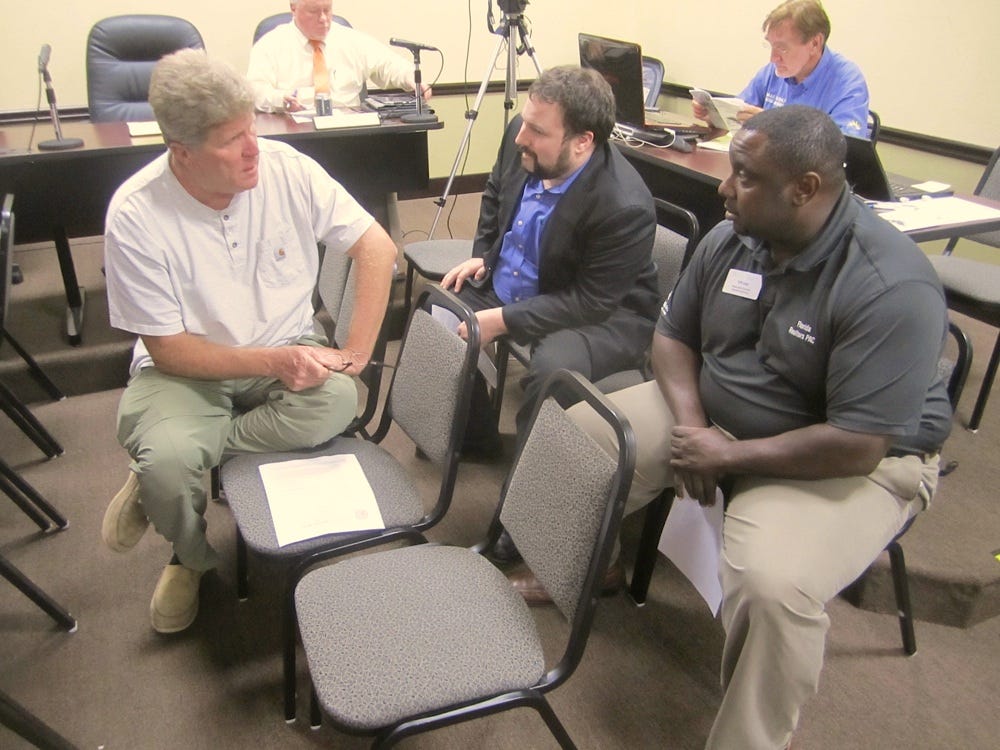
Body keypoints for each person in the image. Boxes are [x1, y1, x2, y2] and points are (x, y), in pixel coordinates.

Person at [567, 105, 950, 748]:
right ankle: (592, 564)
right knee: (584, 431)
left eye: (743, 175)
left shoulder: (889, 283)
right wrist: (695, 433)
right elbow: (671, 336)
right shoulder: (735, 236)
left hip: (842, 456)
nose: (723, 186)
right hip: (718, 420)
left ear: (805, 188)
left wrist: (731, 456)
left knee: (775, 588)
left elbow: (859, 443)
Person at [100, 49, 397, 635]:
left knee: (339, 401)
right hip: (186, 368)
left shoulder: (286, 169)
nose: (253, 148)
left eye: (252, 129)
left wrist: (353, 359)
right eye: (232, 140)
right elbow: (169, 351)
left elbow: (377, 248)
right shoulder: (136, 214)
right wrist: (274, 362)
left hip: (284, 343)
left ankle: (179, 465)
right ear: (181, 153)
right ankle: (189, 554)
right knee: (168, 463)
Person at [441, 64, 660, 457]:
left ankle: (528, 496)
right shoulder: (522, 137)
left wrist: (502, 319)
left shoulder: (623, 205)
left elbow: (589, 302)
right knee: (440, 314)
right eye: (526, 122)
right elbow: (495, 192)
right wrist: (485, 257)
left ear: (582, 142)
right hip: (527, 283)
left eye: (538, 132)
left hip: (602, 313)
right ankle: (477, 443)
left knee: (552, 374)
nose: (521, 137)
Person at [693, 0, 869, 137]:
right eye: (771, 46)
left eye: (783, 48)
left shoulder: (848, 82)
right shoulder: (773, 71)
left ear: (815, 43)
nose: (773, 58)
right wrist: (716, 117)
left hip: (811, 179)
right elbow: (739, 113)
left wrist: (775, 126)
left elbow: (843, 147)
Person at [246, 0, 430, 112]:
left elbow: (387, 64)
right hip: (296, 132)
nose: (324, 19)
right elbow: (255, 91)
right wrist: (280, 100)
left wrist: (411, 78)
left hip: (347, 132)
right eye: (314, 12)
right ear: (293, 8)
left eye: (327, 10)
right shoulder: (270, 45)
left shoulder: (349, 39)